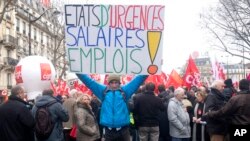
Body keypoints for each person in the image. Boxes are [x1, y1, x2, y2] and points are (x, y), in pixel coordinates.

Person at [76, 73, 148, 141]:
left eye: (116, 82)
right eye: (112, 82)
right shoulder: (103, 91)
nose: (114, 85)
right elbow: (89, 82)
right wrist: (78, 72)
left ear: (119, 83)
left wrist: (148, 69)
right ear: (108, 83)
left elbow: (138, 80)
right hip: (109, 131)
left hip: (124, 131)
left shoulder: (125, 91)